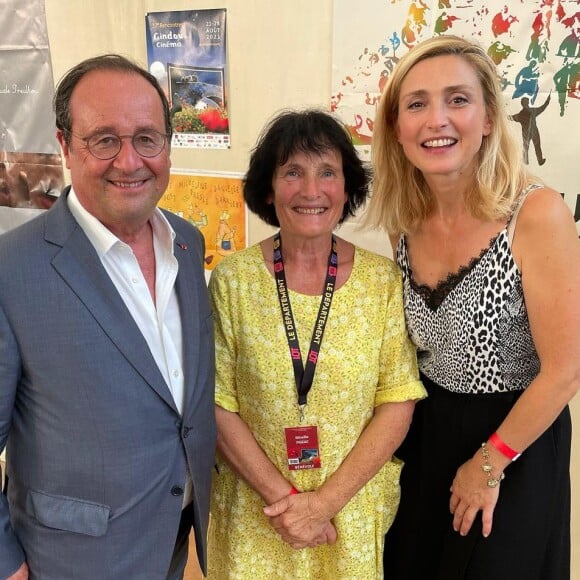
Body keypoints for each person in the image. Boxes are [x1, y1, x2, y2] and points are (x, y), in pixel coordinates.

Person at [367, 35, 580, 580]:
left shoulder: (537, 213)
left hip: (516, 441)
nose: (436, 119)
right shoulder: (405, 220)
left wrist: (488, 465)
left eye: (457, 100)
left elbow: (565, 370)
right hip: (428, 430)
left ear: (487, 118)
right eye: (416, 104)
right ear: (397, 127)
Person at [0, 54, 216, 580]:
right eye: (104, 140)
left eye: (147, 137)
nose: (130, 160)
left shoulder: (186, 242)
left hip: (173, 536)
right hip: (69, 560)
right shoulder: (11, 270)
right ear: (64, 146)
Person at [207, 109, 426, 579]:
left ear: (347, 189)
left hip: (344, 509)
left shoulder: (381, 281)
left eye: (328, 172)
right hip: (258, 511)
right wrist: (287, 504)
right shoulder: (232, 280)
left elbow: (398, 398)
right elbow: (217, 403)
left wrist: (323, 504)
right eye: (293, 173)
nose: (311, 191)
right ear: (269, 188)